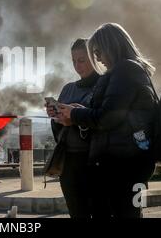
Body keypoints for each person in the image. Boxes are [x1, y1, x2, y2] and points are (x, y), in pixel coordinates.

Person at [57, 23, 157, 218]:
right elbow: (111, 113)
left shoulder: (125, 70)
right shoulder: (128, 70)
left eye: (97, 52)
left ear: (110, 47)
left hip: (124, 167)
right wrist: (80, 112)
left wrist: (74, 115)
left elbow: (108, 117)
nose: (98, 58)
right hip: (127, 165)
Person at [45, 38, 100, 219]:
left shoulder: (105, 85)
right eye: (74, 61)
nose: (77, 66)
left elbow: (106, 123)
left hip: (95, 164)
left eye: (82, 60)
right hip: (69, 163)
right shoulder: (68, 89)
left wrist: (77, 117)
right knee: (77, 214)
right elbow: (58, 133)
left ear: (94, 57)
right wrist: (55, 115)